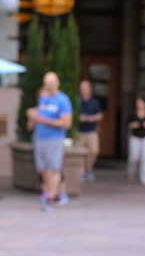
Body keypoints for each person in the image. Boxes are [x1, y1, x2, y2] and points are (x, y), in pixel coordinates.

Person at [27, 72, 72, 210]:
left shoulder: (63, 100)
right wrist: (33, 117)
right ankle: (51, 193)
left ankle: (51, 198)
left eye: (52, 83)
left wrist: (45, 121)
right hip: (40, 139)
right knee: (43, 170)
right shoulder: (44, 99)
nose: (49, 86)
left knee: (54, 169)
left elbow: (67, 123)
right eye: (47, 83)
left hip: (54, 139)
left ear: (57, 83)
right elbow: (36, 119)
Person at [78, 79, 103, 182]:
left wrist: (92, 118)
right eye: (82, 88)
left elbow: (100, 115)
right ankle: (82, 171)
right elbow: (73, 115)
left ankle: (89, 169)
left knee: (94, 150)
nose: (84, 90)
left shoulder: (94, 102)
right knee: (80, 153)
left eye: (86, 88)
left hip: (92, 130)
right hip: (80, 131)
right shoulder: (77, 101)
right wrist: (80, 118)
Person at [127, 97, 145, 186]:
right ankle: (131, 173)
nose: (139, 104)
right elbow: (128, 124)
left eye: (141, 102)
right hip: (135, 137)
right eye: (138, 102)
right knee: (133, 157)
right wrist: (133, 125)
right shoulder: (133, 114)